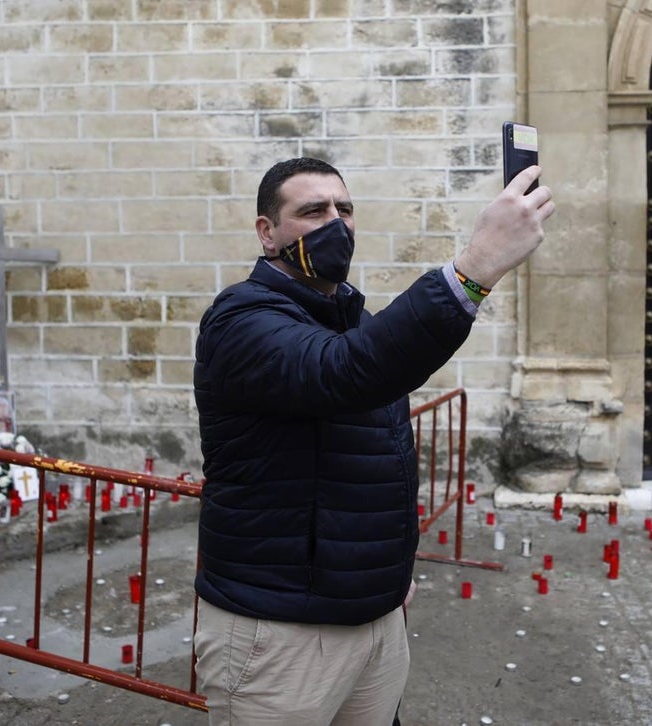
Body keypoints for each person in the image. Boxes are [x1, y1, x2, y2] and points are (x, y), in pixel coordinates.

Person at [193, 157, 555, 725]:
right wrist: (475, 266)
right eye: (312, 211)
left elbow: (379, 460)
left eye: (345, 209)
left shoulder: (352, 321)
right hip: (281, 631)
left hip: (376, 619)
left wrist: (389, 574)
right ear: (267, 232)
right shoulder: (242, 319)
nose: (335, 223)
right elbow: (342, 373)